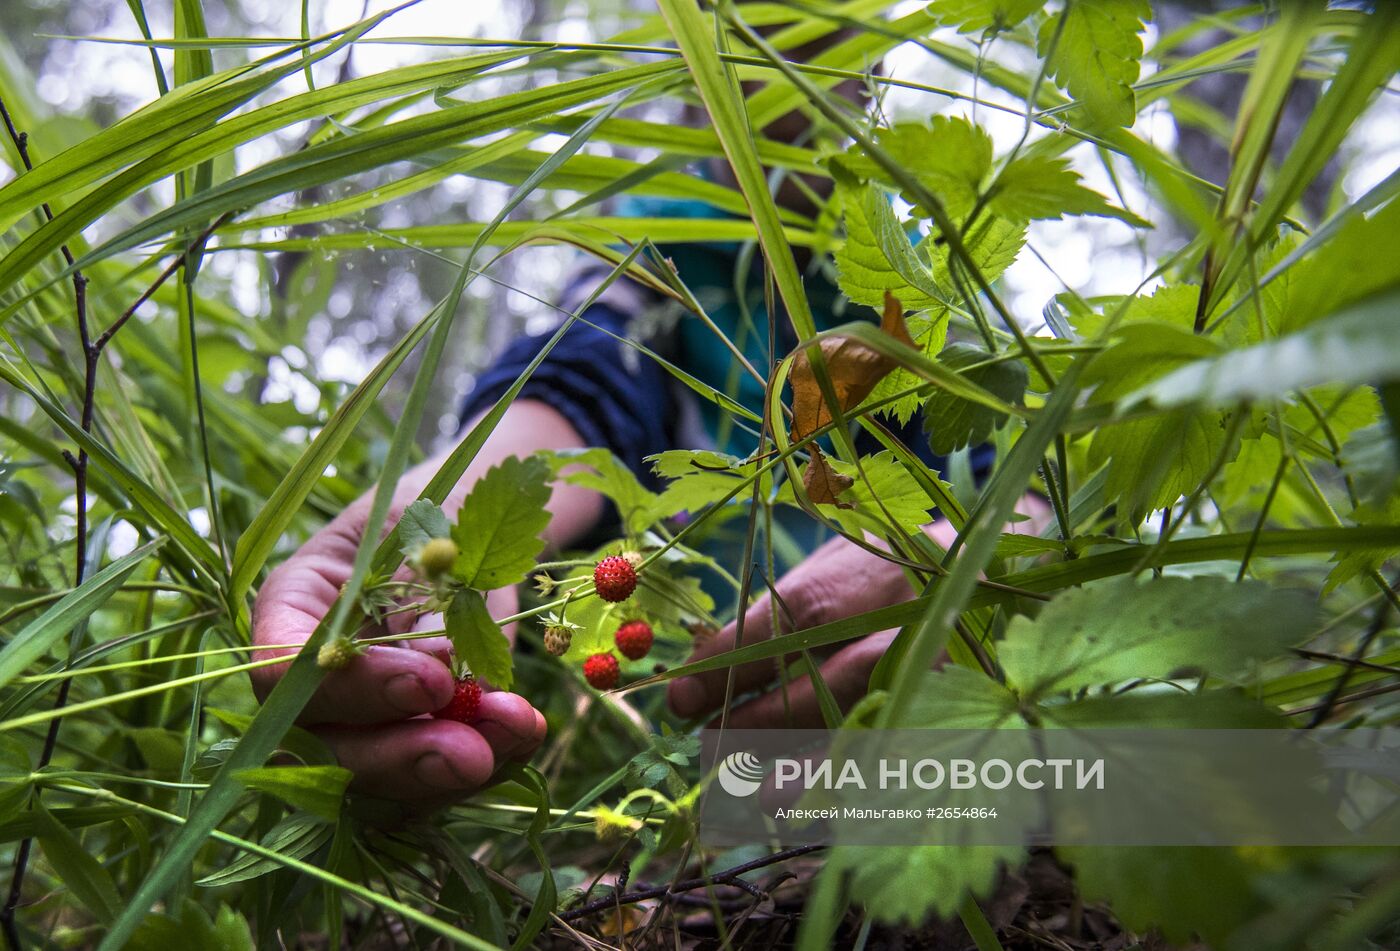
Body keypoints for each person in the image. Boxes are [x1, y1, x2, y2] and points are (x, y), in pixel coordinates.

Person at [250, 27, 1048, 805]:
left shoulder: (927, 280)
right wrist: (450, 510)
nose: (771, 85)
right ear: (689, 82)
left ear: (870, 78)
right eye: (735, 46)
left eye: (810, 44)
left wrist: (1005, 555)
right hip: (661, 730)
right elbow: (581, 382)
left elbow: (1014, 461)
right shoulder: (648, 250)